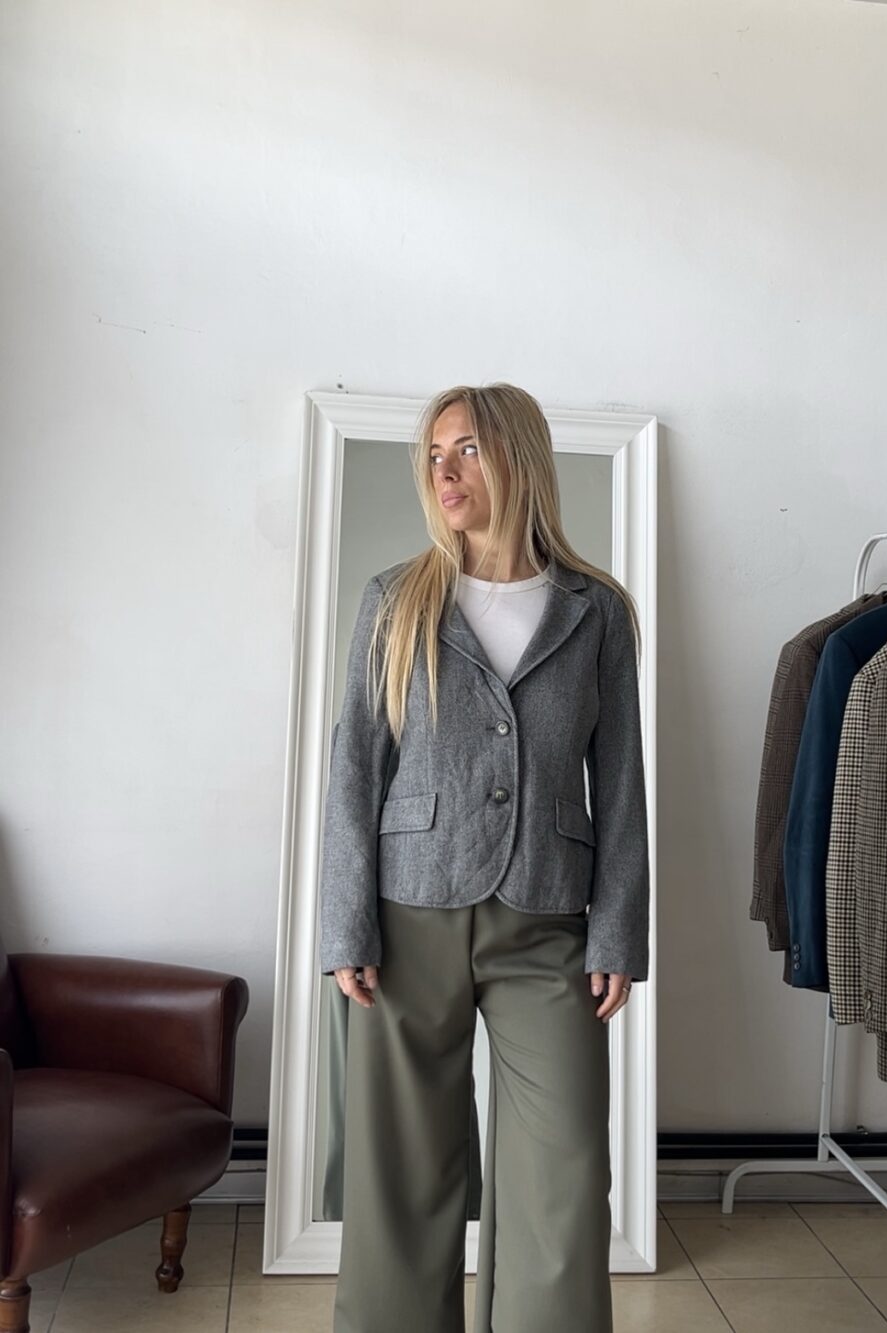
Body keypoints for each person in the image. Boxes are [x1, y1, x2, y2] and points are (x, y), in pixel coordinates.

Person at [321, 382, 650, 1333]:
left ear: (518, 457)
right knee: (401, 1170)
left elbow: (620, 780)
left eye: (465, 448)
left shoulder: (597, 610)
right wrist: (345, 924)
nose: (445, 471)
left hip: (548, 918)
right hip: (407, 916)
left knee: (565, 1170)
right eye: (434, 455)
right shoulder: (396, 598)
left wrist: (618, 932)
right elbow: (355, 768)